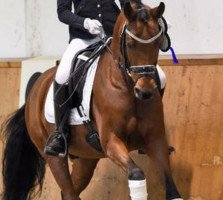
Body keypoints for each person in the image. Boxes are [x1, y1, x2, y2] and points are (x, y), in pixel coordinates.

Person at [44, 0, 168, 157]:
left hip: (113, 36)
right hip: (83, 38)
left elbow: (129, 4)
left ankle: (150, 129)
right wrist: (84, 22)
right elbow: (62, 12)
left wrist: (152, 18)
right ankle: (61, 134)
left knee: (161, 76)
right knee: (63, 74)